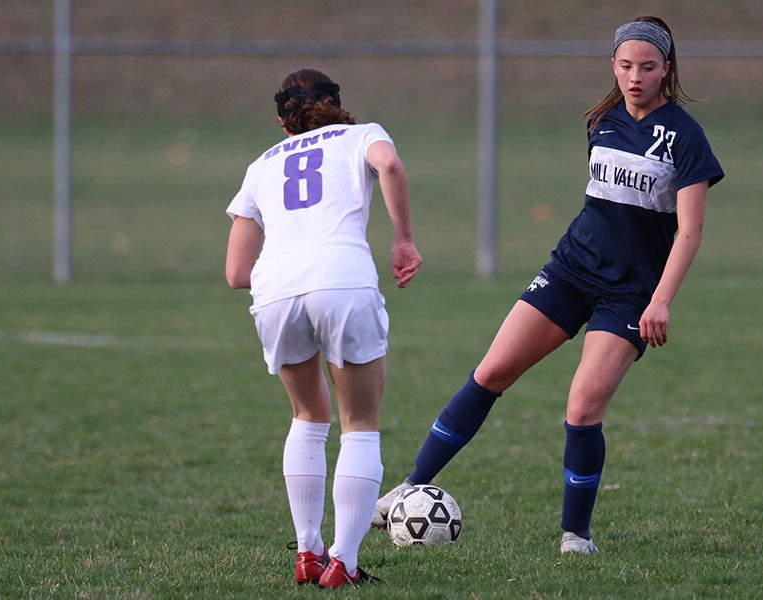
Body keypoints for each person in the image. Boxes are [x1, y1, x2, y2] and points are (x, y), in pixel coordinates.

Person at [372, 16, 724, 554]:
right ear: (613, 65)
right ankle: (412, 483)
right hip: (569, 270)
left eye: (648, 67)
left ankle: (575, 537)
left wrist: (660, 300)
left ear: (666, 69)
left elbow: (691, 230)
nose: (635, 77)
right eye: (626, 66)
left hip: (629, 294)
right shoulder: (601, 120)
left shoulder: (684, 137)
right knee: (491, 371)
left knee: (582, 410)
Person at [225, 68, 422, 586]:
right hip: (343, 277)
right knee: (360, 422)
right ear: (337, 105)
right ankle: (344, 563)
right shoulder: (364, 134)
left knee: (309, 416)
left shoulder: (261, 165)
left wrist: (288, 282)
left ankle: (308, 551)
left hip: (275, 289)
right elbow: (391, 166)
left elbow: (235, 274)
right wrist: (403, 240)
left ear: (282, 122)